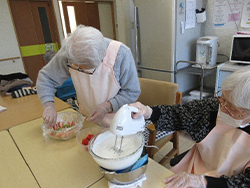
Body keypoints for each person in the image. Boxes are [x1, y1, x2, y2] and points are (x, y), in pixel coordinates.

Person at [130, 68, 250, 188]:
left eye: (232, 108)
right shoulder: (212, 107)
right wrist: (149, 112)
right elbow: (178, 115)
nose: (223, 108)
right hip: (197, 165)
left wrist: (204, 182)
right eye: (222, 99)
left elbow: (246, 183)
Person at [37, 25, 140, 128]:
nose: (80, 70)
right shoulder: (70, 50)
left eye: (87, 69)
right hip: (86, 117)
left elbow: (131, 92)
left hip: (117, 121)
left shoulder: (121, 54)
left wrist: (107, 106)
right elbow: (46, 78)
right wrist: (48, 106)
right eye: (77, 67)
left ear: (101, 56)